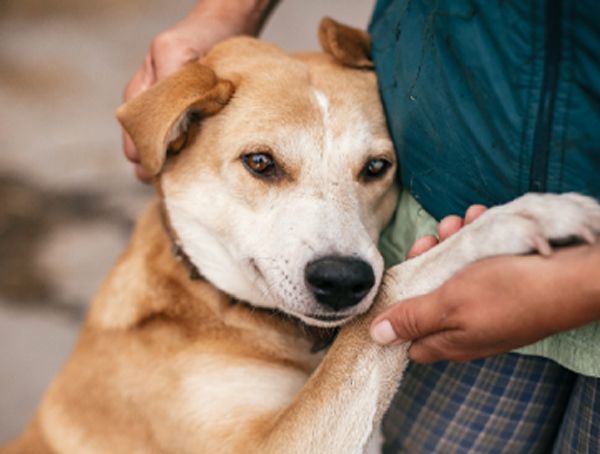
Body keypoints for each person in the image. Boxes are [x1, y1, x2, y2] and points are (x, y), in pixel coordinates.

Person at [122, 1, 600, 452]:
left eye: (372, 169)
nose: (336, 252)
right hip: (465, 238)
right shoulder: (147, 342)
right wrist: (228, 10)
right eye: (263, 164)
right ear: (178, 131)